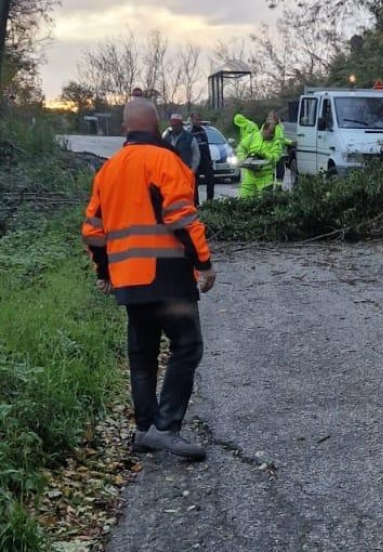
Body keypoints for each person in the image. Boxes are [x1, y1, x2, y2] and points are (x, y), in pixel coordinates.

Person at [81, 98, 216, 461]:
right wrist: (203, 262)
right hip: (168, 276)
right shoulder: (165, 161)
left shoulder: (108, 170)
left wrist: (105, 271)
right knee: (187, 346)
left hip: (129, 280)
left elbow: (93, 231)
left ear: (126, 128)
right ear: (156, 125)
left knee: (142, 355)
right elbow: (182, 218)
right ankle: (166, 428)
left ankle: (144, 430)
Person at [233, 113, 278, 197]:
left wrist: (265, 154)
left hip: (265, 177)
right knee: (244, 199)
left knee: (265, 202)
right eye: (270, 133)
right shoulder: (253, 136)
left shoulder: (275, 142)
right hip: (250, 175)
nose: (271, 135)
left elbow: (275, 157)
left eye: (273, 133)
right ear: (264, 130)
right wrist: (242, 158)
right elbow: (241, 147)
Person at [162, 114, 201, 205]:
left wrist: (192, 171)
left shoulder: (189, 138)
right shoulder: (167, 138)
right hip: (170, 174)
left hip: (185, 173)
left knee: (187, 198)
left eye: (176, 125)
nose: (174, 127)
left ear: (181, 125)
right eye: (172, 125)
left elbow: (196, 155)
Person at [190, 113, 215, 203]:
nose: (198, 121)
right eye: (196, 119)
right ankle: (196, 203)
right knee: (195, 184)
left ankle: (210, 201)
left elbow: (206, 147)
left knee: (211, 181)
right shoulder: (190, 133)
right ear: (192, 120)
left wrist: (209, 159)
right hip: (196, 162)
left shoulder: (203, 131)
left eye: (199, 119)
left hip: (206, 161)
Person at [264, 110, 293, 184]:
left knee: (280, 172)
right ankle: (270, 187)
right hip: (270, 152)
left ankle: (279, 189)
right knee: (270, 172)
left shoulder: (281, 126)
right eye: (274, 116)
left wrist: (291, 142)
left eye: (277, 116)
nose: (276, 118)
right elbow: (263, 137)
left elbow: (282, 139)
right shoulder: (266, 126)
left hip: (280, 153)